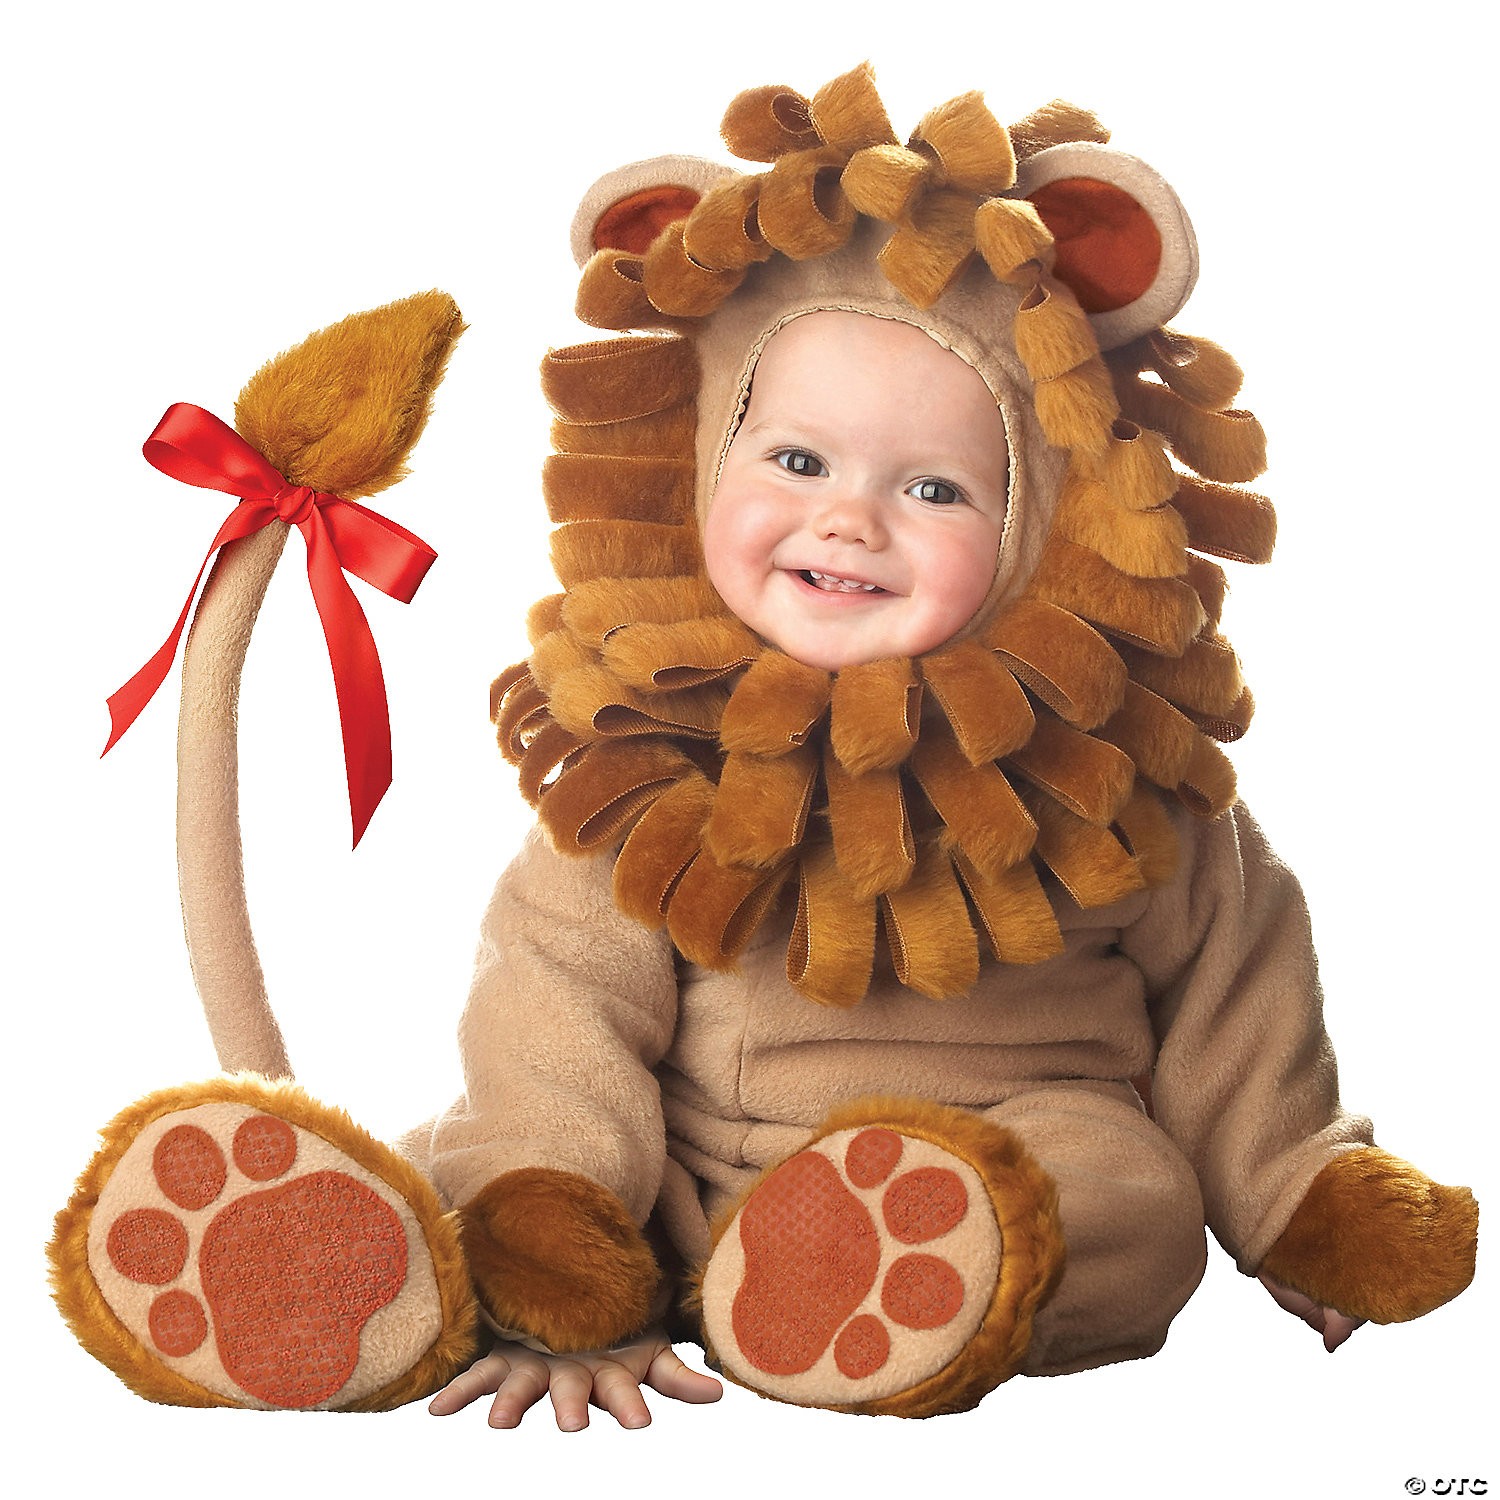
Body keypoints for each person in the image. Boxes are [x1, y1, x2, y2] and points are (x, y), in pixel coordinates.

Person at [51, 65, 1475, 1428]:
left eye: (935, 488)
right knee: (499, 1154)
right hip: (671, 1187)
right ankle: (351, 1271)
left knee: (1125, 1204)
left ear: (1050, 516)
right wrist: (568, 1237)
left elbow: (1238, 1000)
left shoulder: (1110, 777)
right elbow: (560, 1011)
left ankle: (913, 1263)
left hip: (1025, 1129)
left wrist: (1291, 1189)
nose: (849, 518)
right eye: (797, 460)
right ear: (699, 460)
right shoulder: (646, 748)